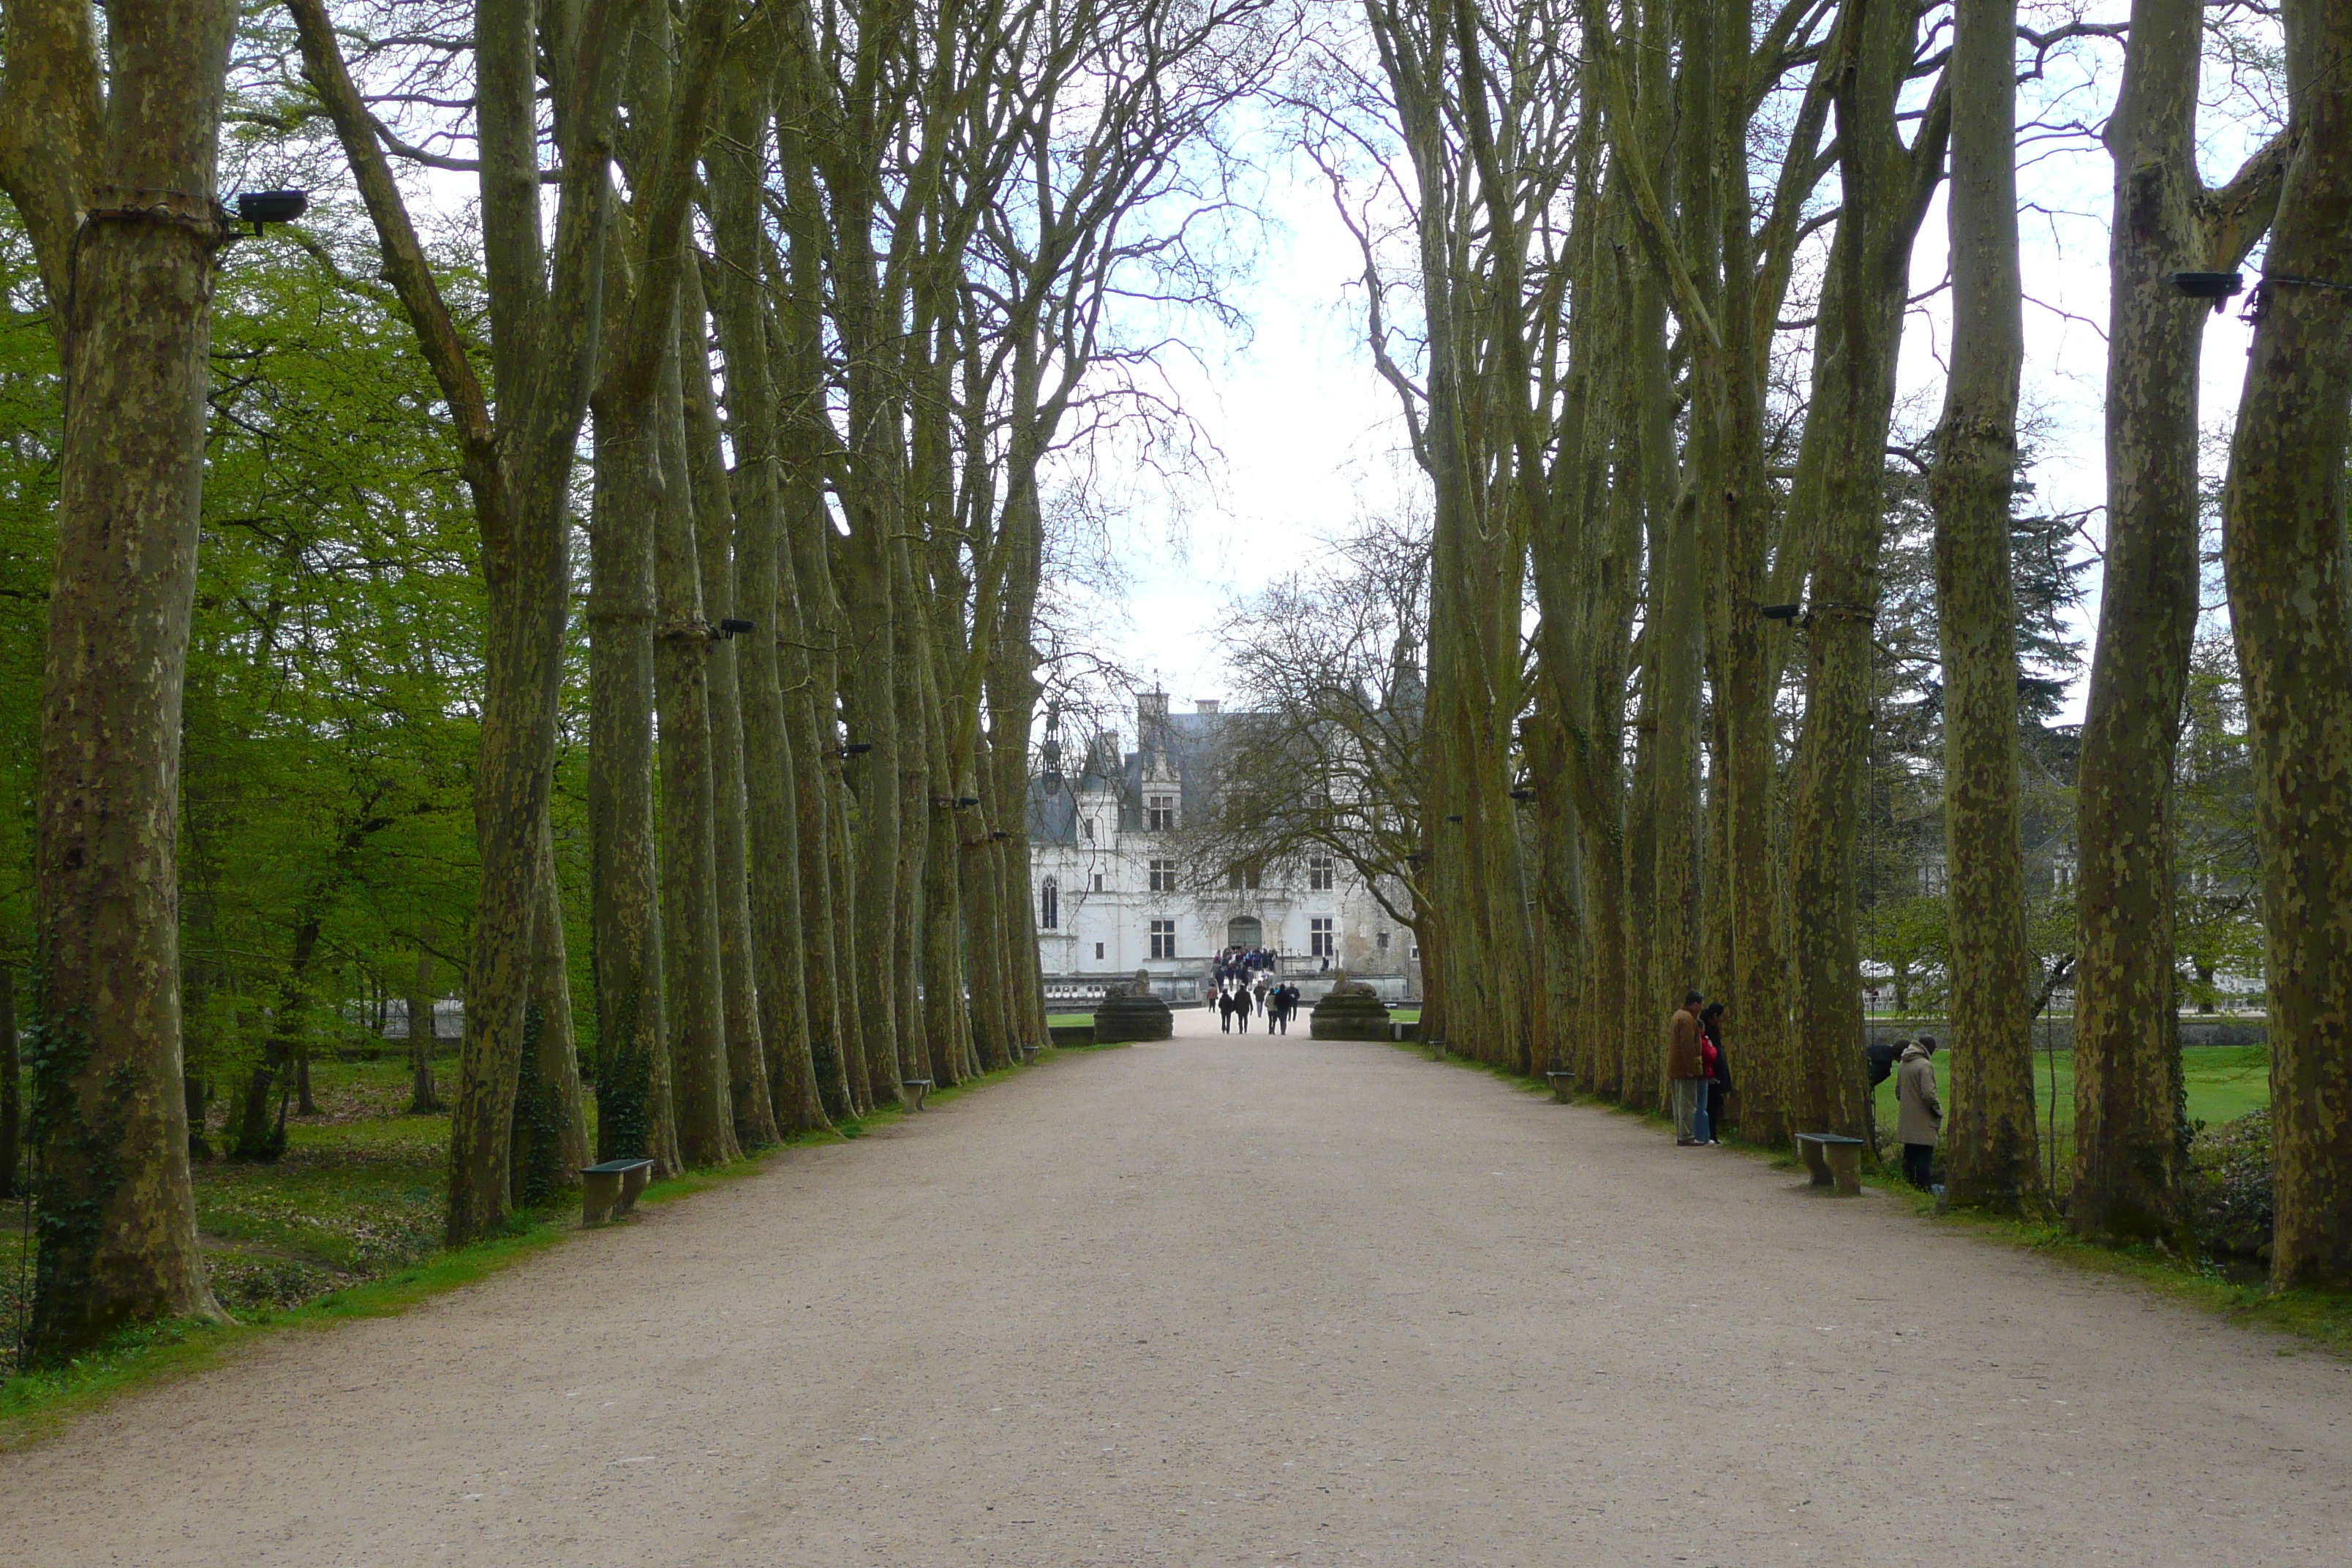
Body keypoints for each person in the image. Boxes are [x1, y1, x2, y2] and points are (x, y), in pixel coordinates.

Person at [1896, 1036, 1942, 1190]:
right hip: (1924, 1119)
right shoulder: (1925, 1066)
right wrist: (1937, 1110)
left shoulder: (1903, 1063)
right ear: (1930, 1049)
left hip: (1907, 1118)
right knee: (1924, 1157)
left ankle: (1907, 1186)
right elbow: (1928, 1094)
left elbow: (1898, 1092)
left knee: (1909, 1156)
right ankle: (1924, 1188)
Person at [1665, 991, 1708, 1146]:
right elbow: (1687, 1045)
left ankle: (1681, 1133)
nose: (1701, 1008)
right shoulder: (1688, 1019)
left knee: (1678, 1102)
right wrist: (1691, 1068)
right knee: (1688, 1103)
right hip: (1684, 1068)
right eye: (1701, 1004)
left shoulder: (1678, 1015)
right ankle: (1686, 1135)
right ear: (1695, 1004)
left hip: (1675, 1066)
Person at [1700, 1001, 1729, 1145]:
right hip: (1713, 1071)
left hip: (1714, 1070)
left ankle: (1710, 1133)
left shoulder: (1708, 1030)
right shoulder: (1709, 1033)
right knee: (1711, 1103)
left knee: (1710, 1103)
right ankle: (1711, 1134)